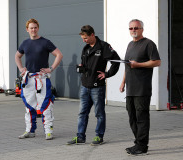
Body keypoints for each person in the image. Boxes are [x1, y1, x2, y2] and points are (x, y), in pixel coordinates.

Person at [67, 25, 120, 145]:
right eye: (82, 38)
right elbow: (85, 64)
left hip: (97, 87)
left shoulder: (103, 46)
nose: (83, 40)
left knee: (99, 113)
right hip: (85, 86)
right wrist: (82, 67)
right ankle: (80, 137)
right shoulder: (85, 48)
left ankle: (99, 136)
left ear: (92, 35)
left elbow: (116, 61)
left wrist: (107, 74)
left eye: (85, 38)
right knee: (82, 113)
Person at [15, 18, 63, 140]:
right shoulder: (25, 43)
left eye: (35, 27)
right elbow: (17, 56)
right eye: (31, 28)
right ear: (27, 29)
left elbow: (59, 55)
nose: (33, 30)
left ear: (38, 28)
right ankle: (30, 130)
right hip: (29, 79)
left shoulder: (45, 42)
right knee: (29, 106)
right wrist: (21, 68)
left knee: (46, 105)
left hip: (42, 79)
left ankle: (48, 131)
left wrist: (51, 68)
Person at [119, 19, 161, 155]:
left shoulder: (148, 44)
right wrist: (123, 82)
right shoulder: (130, 44)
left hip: (142, 88)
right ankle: (138, 143)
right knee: (132, 117)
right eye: (131, 28)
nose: (133, 30)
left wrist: (139, 65)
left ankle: (142, 146)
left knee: (141, 117)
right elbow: (127, 65)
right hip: (130, 88)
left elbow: (157, 62)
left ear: (142, 29)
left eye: (136, 28)